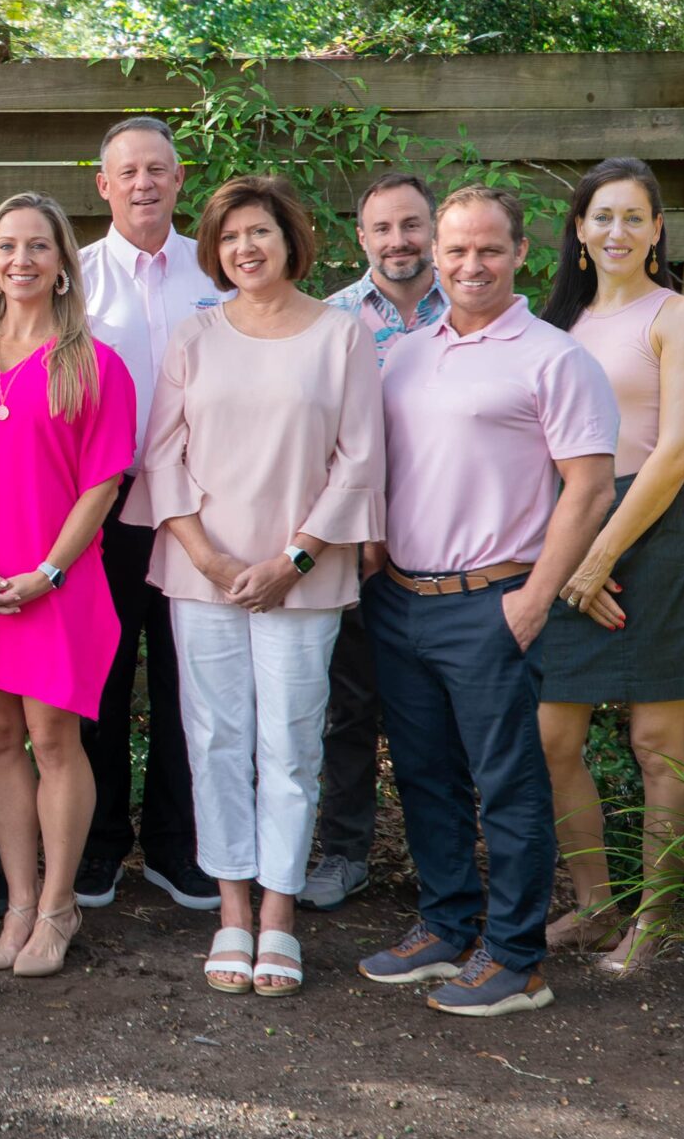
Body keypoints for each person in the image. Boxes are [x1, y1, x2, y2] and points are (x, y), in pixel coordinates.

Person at [358, 186, 617, 1018]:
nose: (472, 266)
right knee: (426, 776)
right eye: (457, 250)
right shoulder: (405, 352)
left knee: (507, 784)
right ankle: (444, 926)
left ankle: (514, 959)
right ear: (435, 253)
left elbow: (591, 484)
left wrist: (537, 598)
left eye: (490, 251)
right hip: (400, 599)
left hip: (494, 599)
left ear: (522, 255)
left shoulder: (553, 356)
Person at [129, 175, 385, 997]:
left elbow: (360, 459)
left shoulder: (341, 335)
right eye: (231, 235)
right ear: (215, 249)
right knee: (213, 741)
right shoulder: (194, 336)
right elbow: (161, 454)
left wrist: (295, 558)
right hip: (203, 573)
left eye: (261, 233)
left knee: (290, 745)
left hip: (299, 577)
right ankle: (230, 909)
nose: (246, 247)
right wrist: (206, 557)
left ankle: (279, 913)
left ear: (291, 239)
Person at [0, 194, 137, 978]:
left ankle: (58, 906)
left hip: (54, 581)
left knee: (54, 738)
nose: (20, 259)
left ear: (61, 264)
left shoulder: (94, 362)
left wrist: (47, 572)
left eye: (38, 247)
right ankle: (17, 901)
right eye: (6, 246)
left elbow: (104, 483)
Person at [535, 158, 684, 974]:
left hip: (649, 536)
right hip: (571, 533)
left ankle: (654, 920)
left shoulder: (678, 314)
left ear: (657, 231)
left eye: (634, 217)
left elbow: (676, 449)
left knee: (656, 742)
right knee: (552, 735)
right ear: (578, 229)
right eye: (601, 216)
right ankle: (594, 905)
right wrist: (573, 556)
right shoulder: (554, 324)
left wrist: (603, 554)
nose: (617, 231)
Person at [76, 116, 217, 914]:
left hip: (196, 512)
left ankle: (176, 845)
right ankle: (98, 844)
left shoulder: (216, 270)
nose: (142, 184)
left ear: (179, 179)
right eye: (126, 171)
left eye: (157, 170)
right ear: (103, 185)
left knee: (184, 680)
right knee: (97, 681)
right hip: (102, 513)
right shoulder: (77, 275)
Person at [305, 172, 449, 912]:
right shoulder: (328, 321)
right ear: (360, 237)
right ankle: (344, 851)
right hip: (355, 549)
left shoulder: (471, 314)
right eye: (382, 228)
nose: (399, 241)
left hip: (449, 547)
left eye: (412, 225)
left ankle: (445, 863)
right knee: (350, 705)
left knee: (436, 713)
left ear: (434, 229)